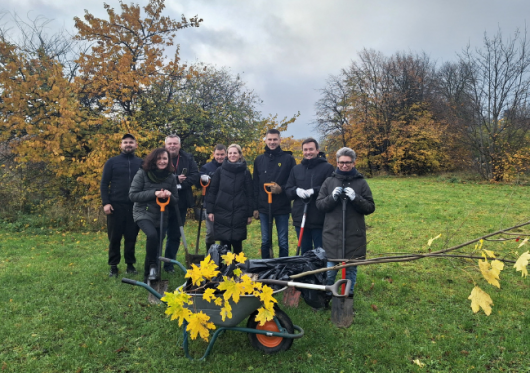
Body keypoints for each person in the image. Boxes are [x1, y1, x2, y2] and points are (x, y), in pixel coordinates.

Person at [316, 147, 375, 304]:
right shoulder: (329, 182)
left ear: (354, 163)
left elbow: (370, 207)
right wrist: (331, 197)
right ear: (336, 162)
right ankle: (326, 298)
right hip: (332, 234)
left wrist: (356, 198)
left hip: (353, 235)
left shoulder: (361, 183)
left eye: (348, 163)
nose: (344, 166)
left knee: (350, 270)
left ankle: (347, 299)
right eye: (341, 162)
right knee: (329, 271)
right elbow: (320, 205)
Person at [129, 148, 179, 282]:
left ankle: (149, 275)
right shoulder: (142, 173)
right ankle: (152, 266)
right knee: (152, 235)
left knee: (156, 243)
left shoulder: (171, 177)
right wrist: (154, 193)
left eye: (165, 159)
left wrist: (170, 196)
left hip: (161, 214)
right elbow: (133, 195)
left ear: (169, 161)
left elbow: (175, 200)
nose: (162, 161)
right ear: (153, 159)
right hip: (143, 212)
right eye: (159, 158)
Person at [100, 133, 143, 277]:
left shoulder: (141, 163)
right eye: (125, 142)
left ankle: (130, 264)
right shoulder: (112, 162)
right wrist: (106, 203)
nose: (128, 144)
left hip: (135, 206)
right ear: (121, 145)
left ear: (136, 145)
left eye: (131, 142)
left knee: (131, 237)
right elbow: (104, 184)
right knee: (115, 237)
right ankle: (113, 266)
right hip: (115, 206)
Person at [285, 138, 334, 254]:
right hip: (300, 217)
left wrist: (314, 190)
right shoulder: (296, 169)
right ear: (302, 151)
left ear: (317, 150)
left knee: (321, 252)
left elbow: (330, 188)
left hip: (319, 217)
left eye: (311, 149)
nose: (308, 152)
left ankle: (321, 272)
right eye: (305, 150)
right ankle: (307, 272)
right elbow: (288, 189)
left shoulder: (327, 168)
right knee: (305, 252)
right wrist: (296, 191)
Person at [253, 129, 296, 258]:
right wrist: (255, 207)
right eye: (270, 139)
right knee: (265, 240)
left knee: (283, 241)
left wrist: (281, 189)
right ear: (265, 140)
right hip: (264, 207)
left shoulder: (288, 159)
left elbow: (293, 182)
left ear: (280, 140)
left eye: (275, 139)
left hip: (282, 206)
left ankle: (283, 269)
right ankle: (265, 267)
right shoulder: (259, 160)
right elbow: (255, 184)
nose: (272, 142)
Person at [206, 144, 254, 254]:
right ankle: (225, 269)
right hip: (222, 211)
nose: (232, 155)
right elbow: (213, 191)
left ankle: (237, 268)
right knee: (224, 245)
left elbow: (249, 194)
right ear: (227, 155)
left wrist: (249, 214)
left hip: (240, 211)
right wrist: (210, 210)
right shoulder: (220, 171)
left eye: (235, 153)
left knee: (237, 243)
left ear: (240, 155)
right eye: (230, 153)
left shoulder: (245, 172)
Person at [163, 134, 199, 272]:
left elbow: (195, 175)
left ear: (179, 145)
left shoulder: (188, 158)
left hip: (181, 201)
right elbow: (154, 175)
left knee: (175, 234)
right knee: (159, 235)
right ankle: (154, 263)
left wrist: (181, 185)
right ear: (165, 145)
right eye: (170, 144)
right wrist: (175, 180)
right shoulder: (159, 157)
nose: (172, 146)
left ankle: (169, 265)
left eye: (175, 144)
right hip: (162, 201)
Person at [198, 144, 227, 251]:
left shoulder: (229, 166)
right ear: (213, 154)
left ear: (226, 154)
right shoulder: (206, 167)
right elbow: (198, 182)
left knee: (224, 232)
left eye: (222, 154)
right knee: (211, 232)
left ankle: (223, 254)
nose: (220, 157)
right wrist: (202, 178)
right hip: (210, 203)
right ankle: (210, 255)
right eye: (217, 154)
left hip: (225, 204)